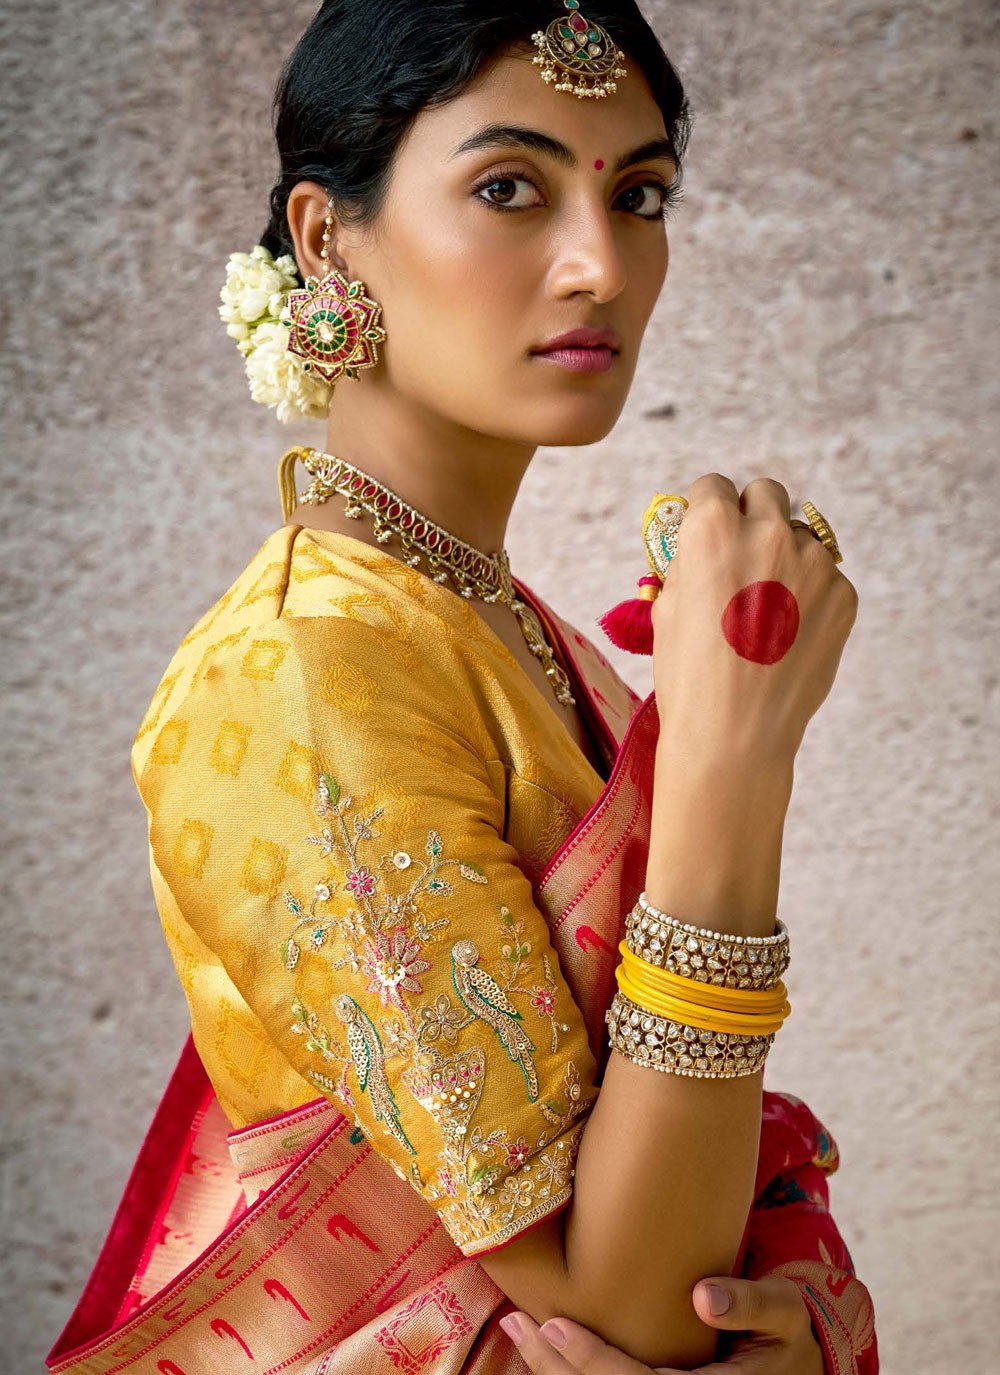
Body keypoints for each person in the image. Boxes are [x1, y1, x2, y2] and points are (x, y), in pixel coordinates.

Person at [47, 3, 877, 1372]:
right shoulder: (300, 672)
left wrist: (788, 1326)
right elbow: (621, 1320)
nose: (600, 265)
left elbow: (686, 1279)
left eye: (640, 195)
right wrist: (733, 766)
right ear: (327, 240)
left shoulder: (500, 627)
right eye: (509, 188)